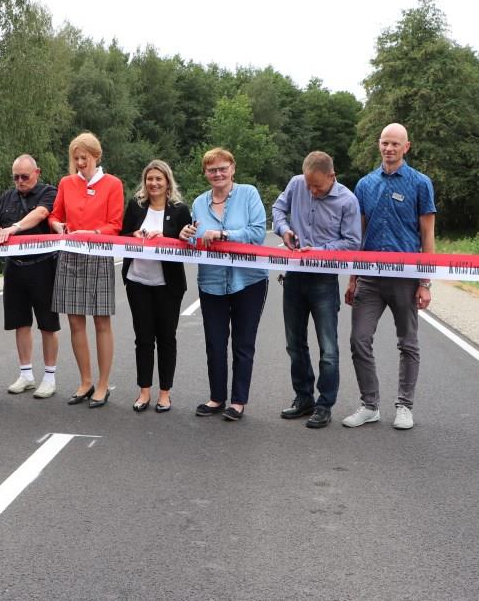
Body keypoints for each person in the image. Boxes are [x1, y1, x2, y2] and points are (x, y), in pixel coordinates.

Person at [343, 123, 436, 430]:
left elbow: (427, 234)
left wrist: (425, 282)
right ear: (379, 144)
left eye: (395, 143)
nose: (389, 148)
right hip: (369, 278)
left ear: (406, 147)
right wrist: (353, 278)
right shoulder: (365, 184)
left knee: (407, 343)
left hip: (405, 277)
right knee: (359, 339)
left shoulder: (420, 183)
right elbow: (357, 234)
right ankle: (369, 405)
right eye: (385, 143)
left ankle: (405, 406)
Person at [272, 151, 361, 428]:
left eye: (318, 186)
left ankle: (324, 405)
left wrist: (320, 251)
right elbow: (278, 209)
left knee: (328, 348)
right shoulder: (296, 183)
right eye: (308, 184)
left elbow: (352, 242)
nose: (311, 191)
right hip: (294, 276)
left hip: (324, 280)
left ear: (332, 176)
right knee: (294, 343)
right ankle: (303, 398)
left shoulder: (348, 200)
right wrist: (284, 229)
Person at [180, 147, 268, 422]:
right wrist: (186, 234)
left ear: (233, 169)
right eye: (212, 170)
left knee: (243, 343)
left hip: (248, 280)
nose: (218, 174)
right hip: (212, 281)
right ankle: (217, 397)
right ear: (205, 173)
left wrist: (224, 234)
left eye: (222, 168)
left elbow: (257, 233)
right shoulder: (199, 202)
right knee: (215, 343)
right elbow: (196, 238)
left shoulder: (249, 194)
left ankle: (238, 401)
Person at [49, 132, 123, 408]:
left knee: (101, 322)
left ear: (96, 156)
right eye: (76, 158)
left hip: (99, 255)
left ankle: (103, 384)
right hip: (70, 255)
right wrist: (57, 225)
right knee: (75, 322)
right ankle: (85, 381)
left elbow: (115, 225)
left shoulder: (113, 184)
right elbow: (55, 215)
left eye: (84, 158)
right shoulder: (66, 183)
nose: (80, 163)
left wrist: (90, 233)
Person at [121, 160, 191, 413]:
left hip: (168, 285)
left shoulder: (180, 210)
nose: (154, 183)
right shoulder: (136, 205)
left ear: (167, 182)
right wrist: (134, 235)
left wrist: (165, 239)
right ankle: (144, 391)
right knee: (143, 339)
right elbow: (121, 235)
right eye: (150, 179)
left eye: (158, 179)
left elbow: (188, 243)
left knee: (166, 338)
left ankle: (164, 393)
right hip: (137, 281)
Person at [0, 155, 61, 399]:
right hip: (15, 266)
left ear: (37, 173)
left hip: (43, 266)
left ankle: (50, 377)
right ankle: (26, 374)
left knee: (47, 324)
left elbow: (41, 214)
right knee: (20, 322)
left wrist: (15, 227)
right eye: (16, 177)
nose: (20, 181)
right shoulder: (6, 197)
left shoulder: (48, 192)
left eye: (24, 176)